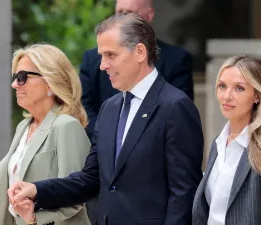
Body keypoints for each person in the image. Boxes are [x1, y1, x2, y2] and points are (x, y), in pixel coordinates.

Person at [8, 13, 204, 225]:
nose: (102, 65)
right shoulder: (109, 108)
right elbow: (91, 179)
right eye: (102, 56)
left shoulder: (175, 107)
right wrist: (37, 190)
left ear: (139, 52)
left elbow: (184, 193)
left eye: (111, 55)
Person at [0, 44, 91, 225]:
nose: (14, 84)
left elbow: (76, 193)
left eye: (22, 77)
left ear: (51, 81)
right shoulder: (23, 127)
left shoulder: (66, 126)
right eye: (15, 77)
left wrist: (35, 219)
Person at [192, 55, 261, 225]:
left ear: (257, 95)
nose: (227, 96)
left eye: (239, 88)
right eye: (222, 86)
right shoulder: (218, 143)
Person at [81, 0, 194, 140]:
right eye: (119, 13)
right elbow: (85, 109)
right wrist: (109, 143)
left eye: (130, 13)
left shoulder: (176, 60)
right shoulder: (93, 60)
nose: (123, 19)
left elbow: (178, 118)